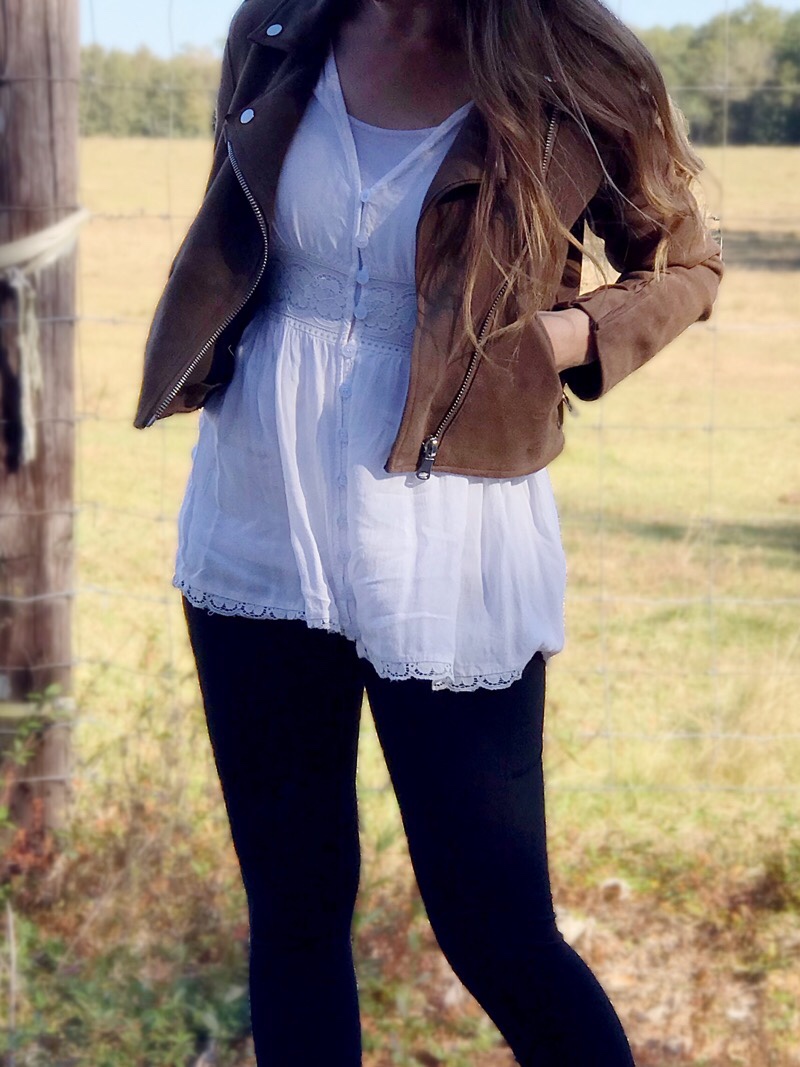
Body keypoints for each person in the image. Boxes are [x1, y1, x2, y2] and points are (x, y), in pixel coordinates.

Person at [134, 0, 723, 1063]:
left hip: (449, 523)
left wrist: (571, 332)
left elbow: (685, 266)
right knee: (294, 908)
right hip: (262, 503)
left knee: (494, 926)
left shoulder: (569, 58)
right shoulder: (276, 28)